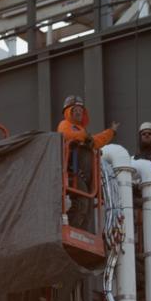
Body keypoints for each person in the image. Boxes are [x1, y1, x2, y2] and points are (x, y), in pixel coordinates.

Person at [57, 96, 119, 230]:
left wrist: (111, 132)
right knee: (82, 202)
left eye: (81, 110)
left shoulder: (82, 131)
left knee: (88, 203)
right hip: (71, 172)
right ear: (69, 112)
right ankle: (68, 229)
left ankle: (85, 233)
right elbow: (67, 135)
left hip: (84, 176)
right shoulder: (65, 125)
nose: (79, 112)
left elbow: (96, 141)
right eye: (75, 110)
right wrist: (85, 138)